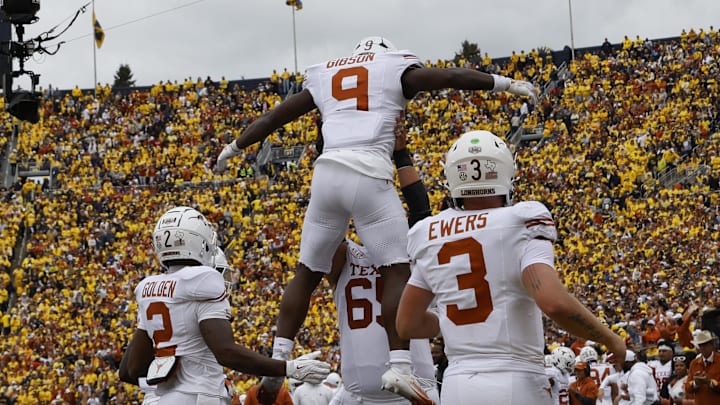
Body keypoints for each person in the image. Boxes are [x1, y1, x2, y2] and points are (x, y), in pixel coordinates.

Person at [215, 35, 538, 403]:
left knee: (305, 272)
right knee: (397, 270)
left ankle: (279, 359)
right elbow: (447, 77)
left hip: (326, 175)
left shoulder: (327, 75)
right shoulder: (393, 68)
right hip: (370, 171)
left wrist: (234, 146)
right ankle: (400, 363)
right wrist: (505, 83)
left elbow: (275, 116)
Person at [394, 130, 627, 404]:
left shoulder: (429, 233)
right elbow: (553, 304)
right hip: (516, 380)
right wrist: (611, 339)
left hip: (458, 385)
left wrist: (451, 321)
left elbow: (406, 325)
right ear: (506, 171)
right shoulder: (522, 219)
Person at [118, 206, 330, 404]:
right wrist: (289, 367)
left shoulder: (148, 287)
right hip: (201, 396)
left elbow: (130, 370)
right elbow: (225, 352)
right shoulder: (204, 278)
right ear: (198, 242)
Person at [685, 330, 720, 404]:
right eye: (700, 345)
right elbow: (687, 388)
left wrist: (709, 382)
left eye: (705, 344)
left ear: (712, 345)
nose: (703, 348)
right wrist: (696, 383)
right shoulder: (694, 363)